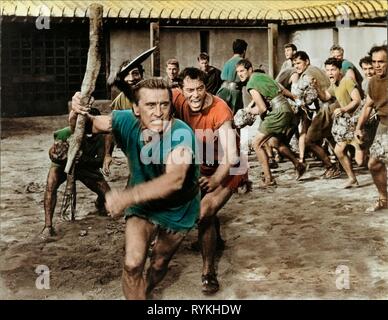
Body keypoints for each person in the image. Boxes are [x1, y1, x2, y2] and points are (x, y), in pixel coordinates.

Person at [71, 79, 200, 299]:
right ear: (136, 108)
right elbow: (85, 126)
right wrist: (77, 111)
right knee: (132, 264)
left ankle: (145, 291)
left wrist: (126, 197)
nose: (159, 112)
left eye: (164, 105)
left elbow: (175, 180)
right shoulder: (124, 120)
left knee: (159, 264)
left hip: (178, 207)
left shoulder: (182, 134)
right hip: (143, 204)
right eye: (150, 105)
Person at [172, 67, 248, 294]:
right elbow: (146, 93)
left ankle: (208, 273)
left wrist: (216, 179)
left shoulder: (220, 110)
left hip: (228, 168)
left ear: (207, 87)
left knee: (204, 214)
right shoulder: (176, 97)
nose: (195, 95)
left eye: (200, 89)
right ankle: (216, 240)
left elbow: (232, 156)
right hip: (200, 167)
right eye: (189, 90)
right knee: (206, 213)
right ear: (181, 90)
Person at [39, 108, 111, 240]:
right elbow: (53, 155)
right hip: (63, 166)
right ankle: (48, 226)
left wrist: (82, 159)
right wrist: (63, 154)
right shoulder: (65, 133)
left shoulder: (103, 137)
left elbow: (99, 161)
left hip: (85, 167)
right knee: (50, 186)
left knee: (107, 193)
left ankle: (99, 204)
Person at [236, 59, 307, 186]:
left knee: (256, 143)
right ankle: (298, 164)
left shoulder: (251, 85)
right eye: (238, 72)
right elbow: (282, 89)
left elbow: (262, 108)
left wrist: (248, 112)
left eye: (242, 71)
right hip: (286, 108)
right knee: (274, 142)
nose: (240, 74)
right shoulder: (261, 76)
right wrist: (295, 98)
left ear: (250, 69)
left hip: (278, 111)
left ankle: (269, 179)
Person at [292, 51, 341, 178]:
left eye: (298, 63)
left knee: (309, 140)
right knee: (331, 138)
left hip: (326, 108)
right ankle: (341, 165)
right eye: (294, 64)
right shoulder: (316, 69)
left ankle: (331, 166)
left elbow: (300, 95)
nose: (296, 66)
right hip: (333, 104)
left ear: (307, 61)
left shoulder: (306, 75)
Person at [316, 58, 363, 188]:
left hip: (357, 120)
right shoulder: (334, 84)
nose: (330, 73)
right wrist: (316, 88)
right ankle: (352, 179)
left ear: (339, 70)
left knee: (361, 159)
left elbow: (357, 100)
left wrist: (343, 109)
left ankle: (355, 173)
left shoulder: (347, 81)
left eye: (333, 70)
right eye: (328, 70)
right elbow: (325, 97)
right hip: (347, 122)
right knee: (339, 150)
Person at [356, 45, 388, 212]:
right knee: (374, 164)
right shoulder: (373, 82)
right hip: (383, 126)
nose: (377, 66)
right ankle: (384, 199)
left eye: (381, 62)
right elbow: (368, 106)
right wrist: (359, 127)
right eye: (374, 62)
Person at [216, 39, 248, 113]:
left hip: (222, 91)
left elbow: (222, 76)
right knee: (235, 118)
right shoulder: (243, 63)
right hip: (234, 93)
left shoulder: (228, 62)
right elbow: (245, 80)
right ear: (244, 51)